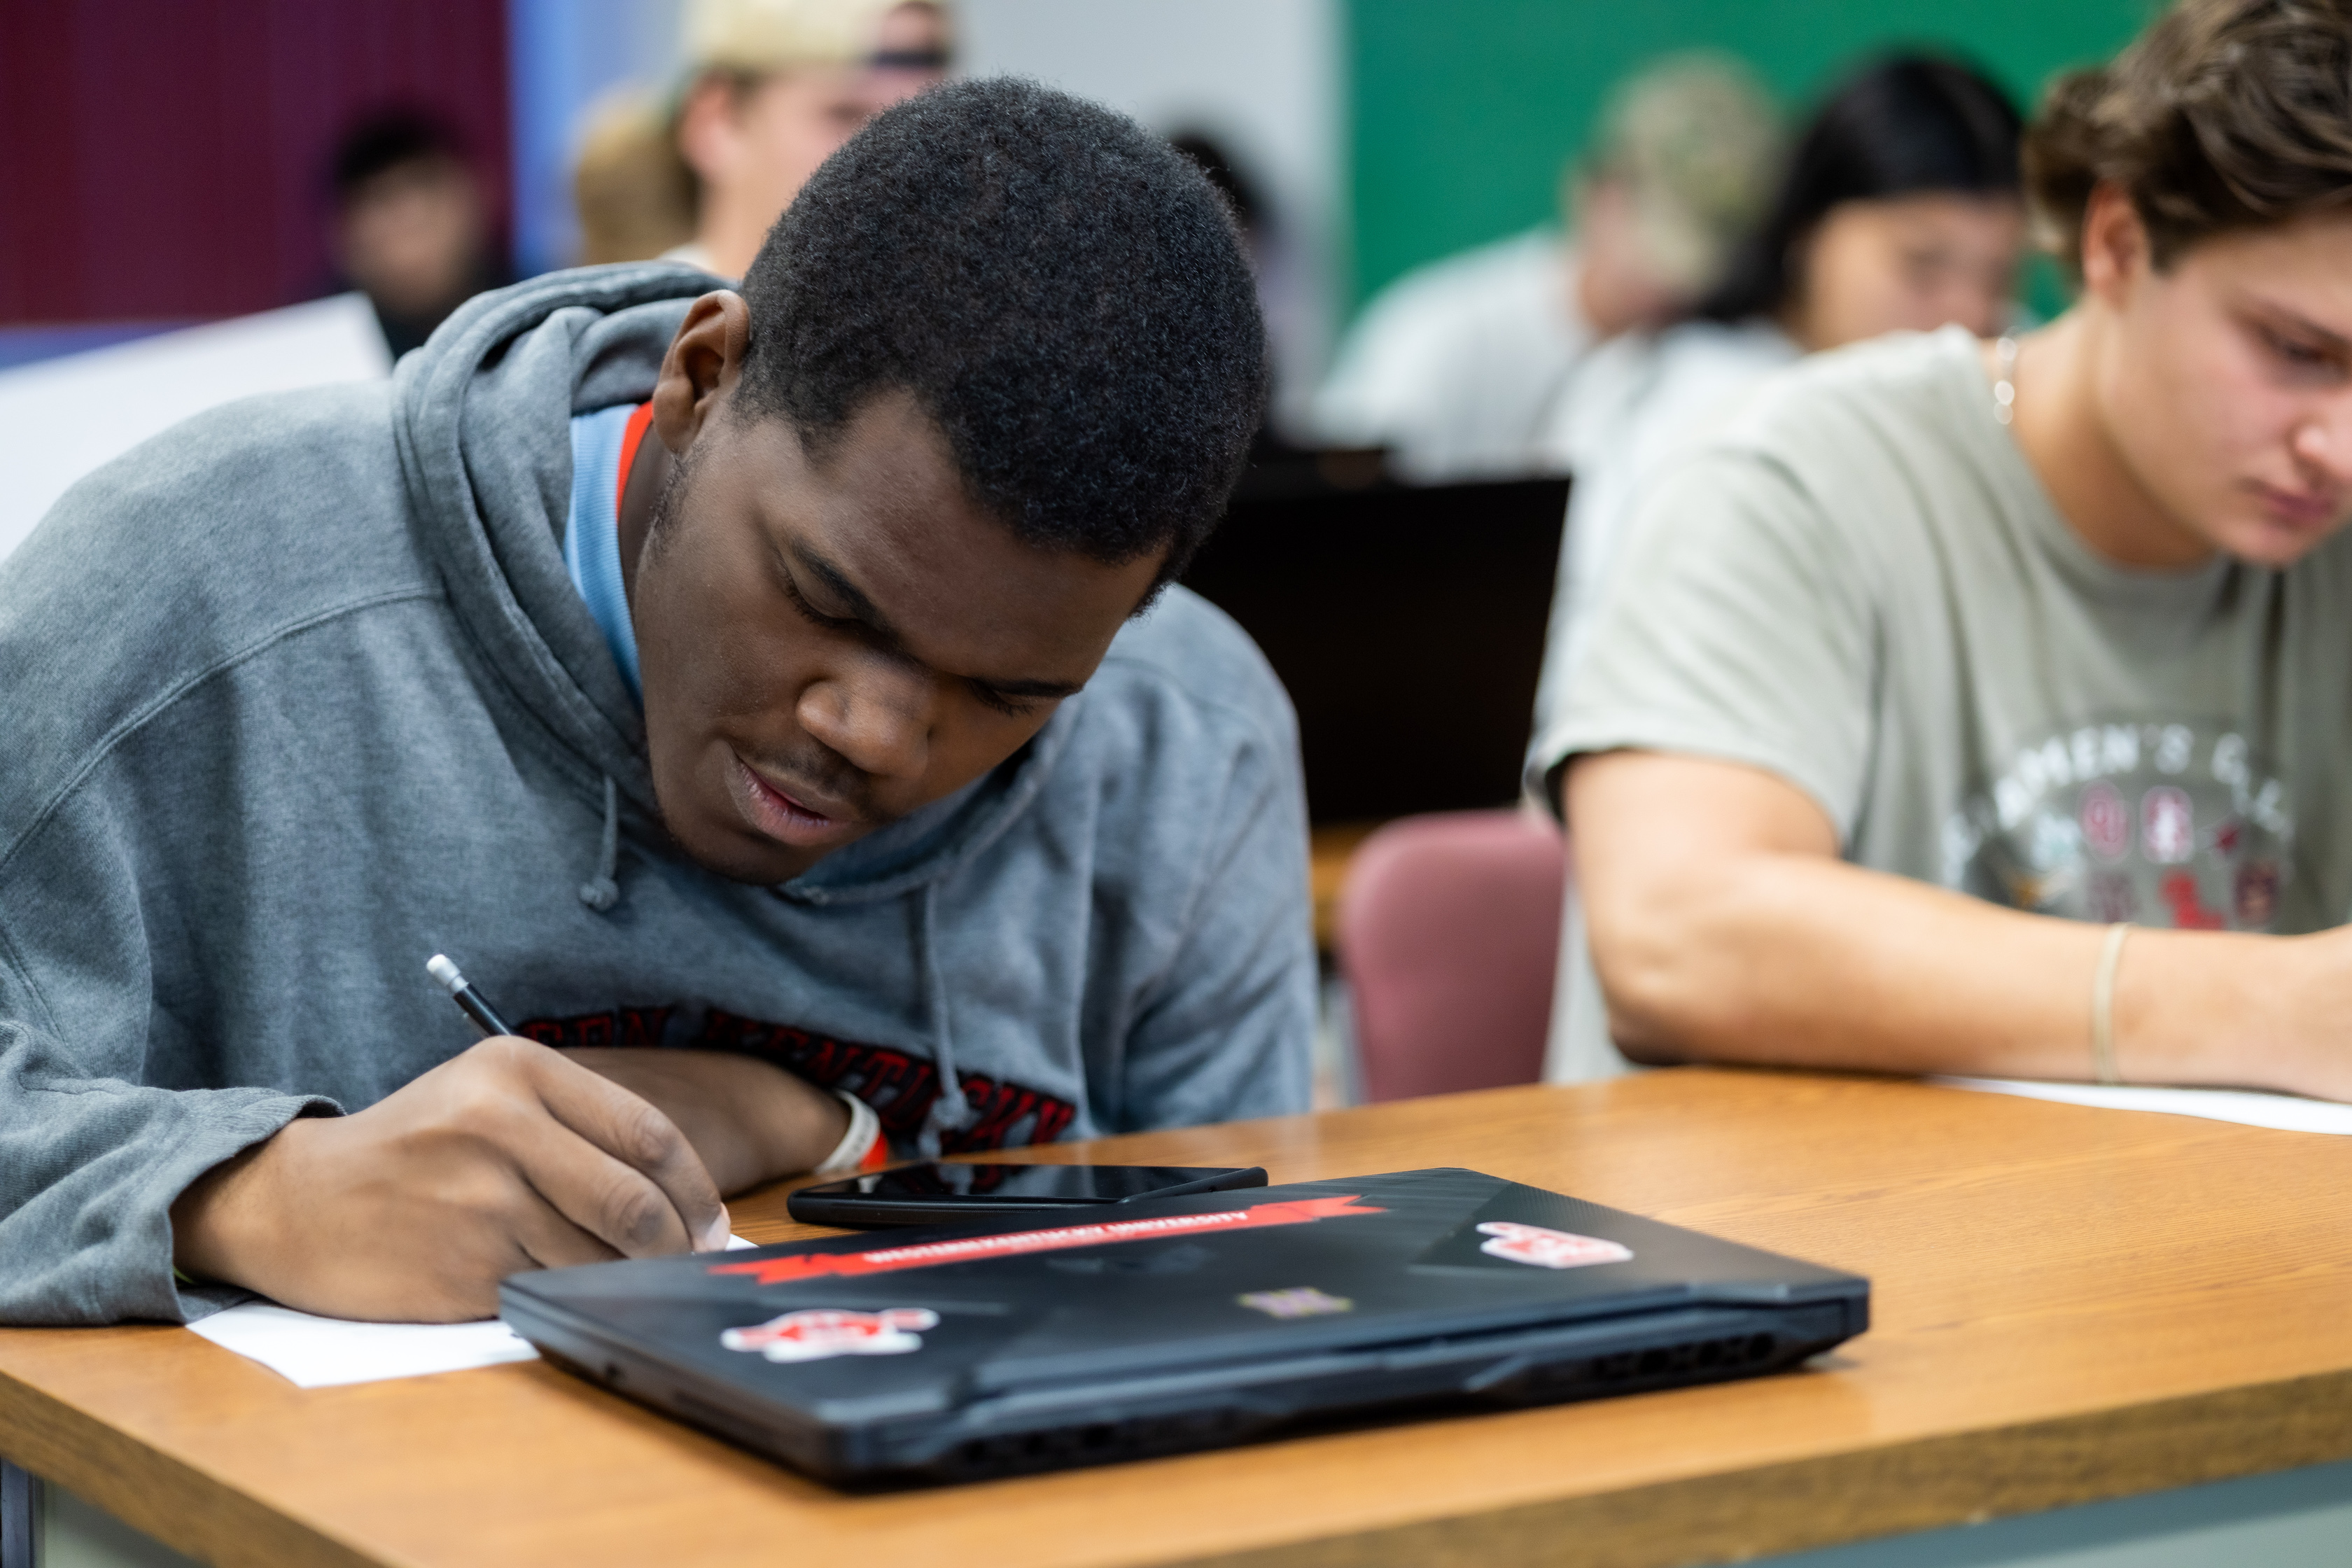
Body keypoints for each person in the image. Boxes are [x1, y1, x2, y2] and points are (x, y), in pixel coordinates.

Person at [0, 80, 1310, 1326]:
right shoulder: (203, 586)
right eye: (829, 601)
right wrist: (248, 1194)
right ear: (700, 380)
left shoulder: (1181, 739)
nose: (873, 734)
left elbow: (1232, 1284)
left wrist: (813, 1127)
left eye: (1005, 695)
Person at [1542, 0, 2352, 1099]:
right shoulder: (1791, 479)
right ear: (2117, 245)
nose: (2337, 449)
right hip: (1817, 1246)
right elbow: (1675, 934)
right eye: (2296, 350)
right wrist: (2270, 1009)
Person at [1529, 56, 2026, 776]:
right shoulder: (1682, 401)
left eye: (2000, 276)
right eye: (1922, 266)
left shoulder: (2010, 374)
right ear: (1806, 233)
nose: (1968, 316)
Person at [1311, 55, 1780, 482]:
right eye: (1661, 246)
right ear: (1596, 194)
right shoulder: (1432, 337)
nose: (1674, 284)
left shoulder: (1721, 360)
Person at [575, 0, 948, 276]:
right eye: (846, 115)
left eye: (926, 120)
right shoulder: (626, 359)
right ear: (717, 122)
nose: (902, 160)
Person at [329, 108, 510, 358]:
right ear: (344, 237)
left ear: (476, 198)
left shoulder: (542, 310)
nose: (408, 223)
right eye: (382, 200)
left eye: (426, 188)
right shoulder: (313, 347)